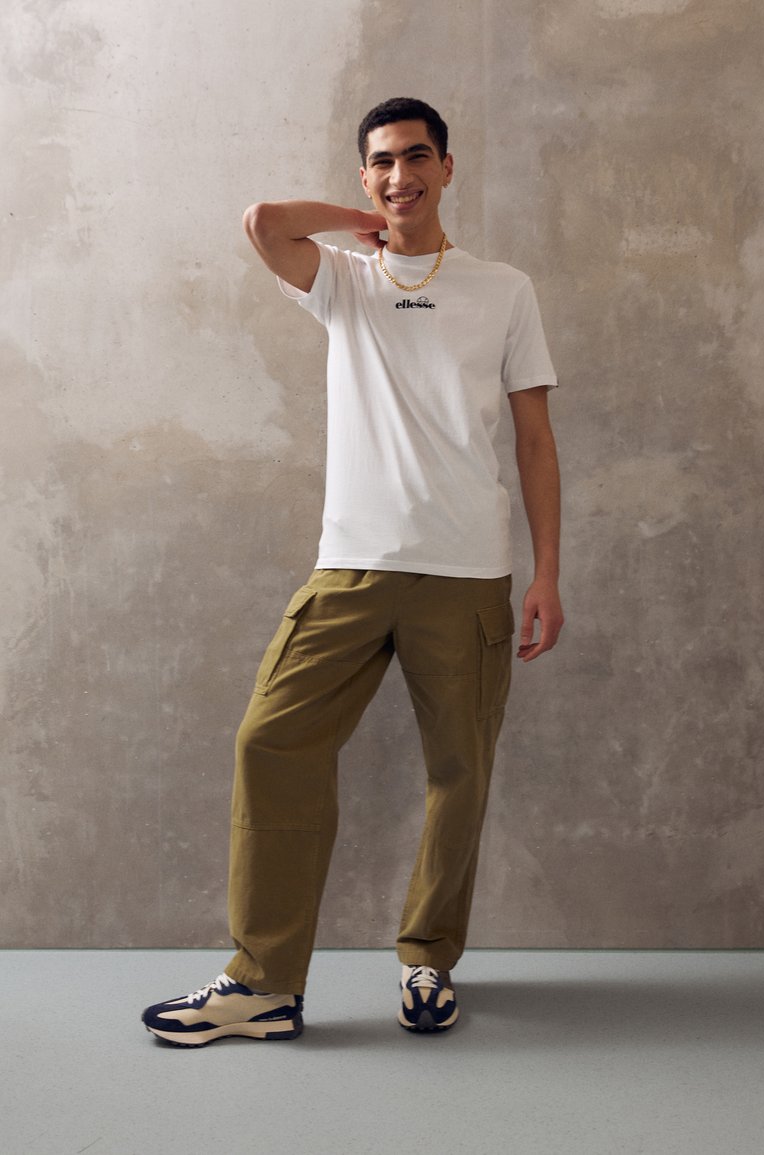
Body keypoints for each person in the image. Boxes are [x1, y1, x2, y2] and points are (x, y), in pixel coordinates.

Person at [142, 97, 563, 1046]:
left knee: (460, 770)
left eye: (417, 158)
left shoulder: (504, 289)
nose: (401, 174)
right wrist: (368, 221)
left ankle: (428, 961)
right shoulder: (343, 280)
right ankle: (263, 984)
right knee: (270, 740)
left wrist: (547, 573)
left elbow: (535, 439)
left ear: (449, 166)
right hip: (352, 565)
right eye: (382, 162)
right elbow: (264, 222)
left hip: (466, 568)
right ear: (365, 175)